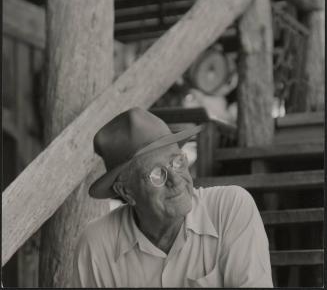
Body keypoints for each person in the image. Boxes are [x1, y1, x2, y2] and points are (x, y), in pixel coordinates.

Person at [73, 107, 273, 287]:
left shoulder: (229, 209)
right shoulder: (96, 246)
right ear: (126, 192)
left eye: (177, 162)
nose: (176, 181)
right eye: (156, 174)